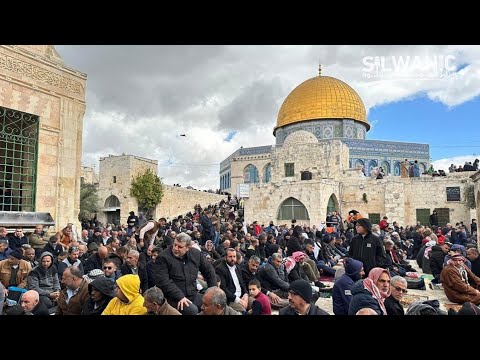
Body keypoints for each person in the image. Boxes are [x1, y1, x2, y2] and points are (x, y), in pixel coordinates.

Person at [154, 232, 216, 315]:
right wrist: (180, 296)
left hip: (193, 294)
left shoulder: (196, 254)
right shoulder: (163, 257)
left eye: (180, 247)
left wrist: (212, 291)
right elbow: (163, 281)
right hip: (173, 297)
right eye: (175, 244)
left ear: (188, 248)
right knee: (192, 310)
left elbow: (209, 271)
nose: (175, 248)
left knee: (214, 305)